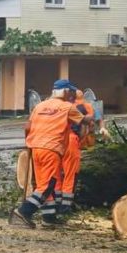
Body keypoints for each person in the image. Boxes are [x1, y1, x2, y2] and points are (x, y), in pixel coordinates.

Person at [10, 79, 93, 227]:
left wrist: (28, 143)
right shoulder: (67, 107)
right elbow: (84, 122)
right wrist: (94, 115)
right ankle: (23, 212)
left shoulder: (39, 106)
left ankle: (48, 218)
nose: (71, 95)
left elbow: (27, 127)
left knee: (43, 183)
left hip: (36, 148)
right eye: (70, 92)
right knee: (48, 185)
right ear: (65, 91)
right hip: (51, 149)